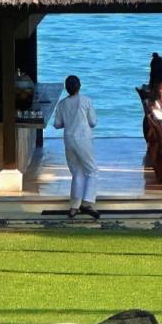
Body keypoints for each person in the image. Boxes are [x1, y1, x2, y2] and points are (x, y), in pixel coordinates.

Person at [50, 74, 100, 220]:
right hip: (83, 138)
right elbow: (93, 122)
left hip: (69, 139)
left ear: (67, 89)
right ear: (79, 86)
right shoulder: (86, 101)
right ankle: (87, 202)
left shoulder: (62, 104)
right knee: (92, 170)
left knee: (77, 172)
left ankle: (74, 206)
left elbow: (57, 124)